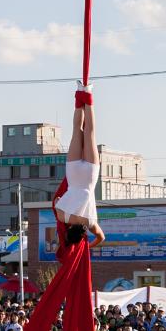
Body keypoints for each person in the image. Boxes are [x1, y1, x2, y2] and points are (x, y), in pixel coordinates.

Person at [52, 84, 106, 247]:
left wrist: (88, 246)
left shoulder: (90, 222)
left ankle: (88, 92)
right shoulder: (62, 216)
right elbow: (57, 200)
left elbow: (101, 237)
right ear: (68, 231)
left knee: (89, 132)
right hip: (74, 175)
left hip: (89, 176)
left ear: (83, 234)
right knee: (77, 130)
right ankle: (79, 93)